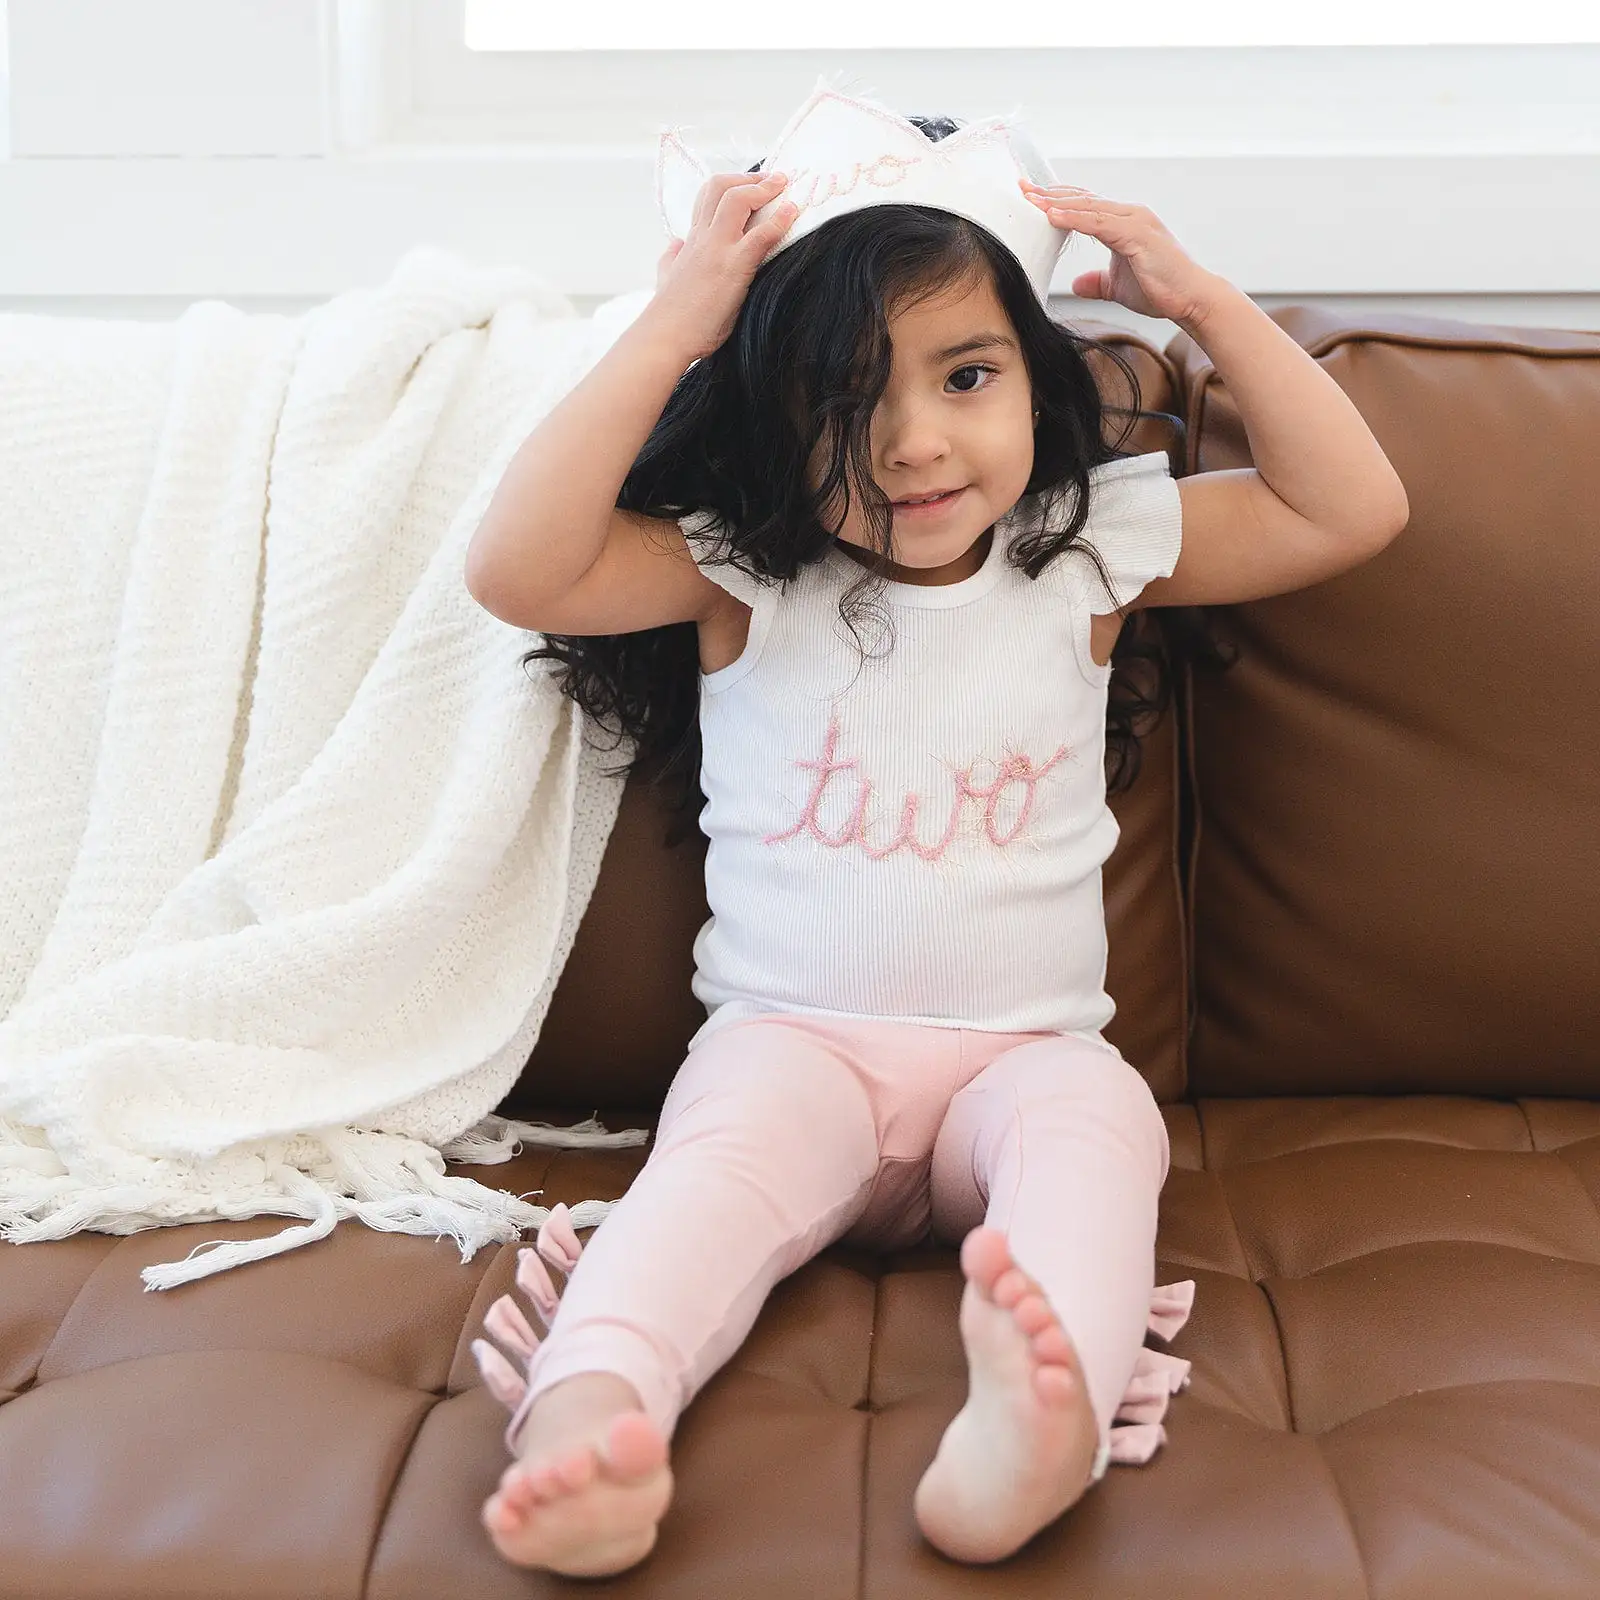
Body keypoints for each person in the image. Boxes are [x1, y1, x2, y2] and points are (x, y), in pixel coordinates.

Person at [462, 88, 1409, 1579]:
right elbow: (518, 568)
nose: (911, 444)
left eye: (965, 375)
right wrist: (673, 328)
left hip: (1025, 1057)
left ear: (1033, 375)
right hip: (793, 1048)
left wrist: (1203, 302)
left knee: (1102, 1148)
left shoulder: (1085, 549)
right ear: (768, 428)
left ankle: (1036, 1425)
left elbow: (1351, 506)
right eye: (843, 401)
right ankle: (592, 1416)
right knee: (699, 1195)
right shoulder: (738, 575)